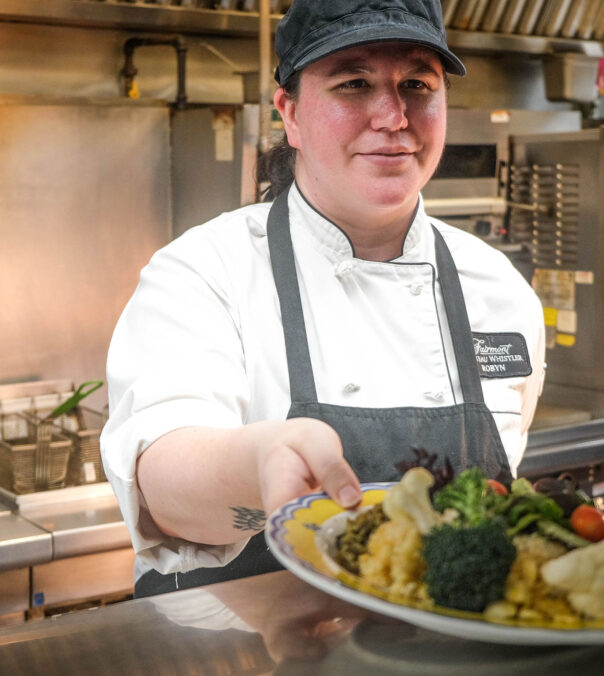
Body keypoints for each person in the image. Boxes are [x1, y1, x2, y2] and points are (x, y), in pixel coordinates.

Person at [101, 0, 546, 597]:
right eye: (354, 83)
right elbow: (163, 490)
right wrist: (259, 463)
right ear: (291, 114)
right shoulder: (206, 271)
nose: (393, 116)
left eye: (417, 83)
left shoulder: (498, 289)